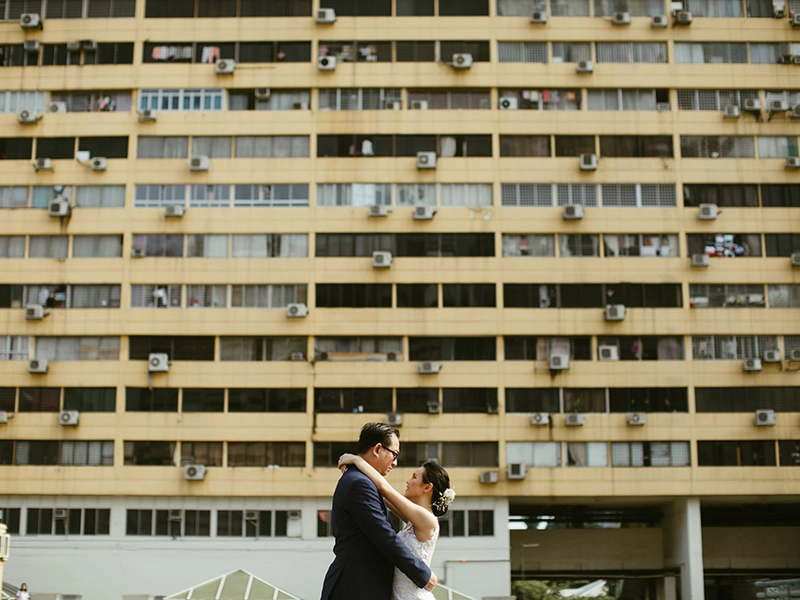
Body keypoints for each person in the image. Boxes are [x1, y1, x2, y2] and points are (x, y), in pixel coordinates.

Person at [320, 422, 437, 600]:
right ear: (377, 449)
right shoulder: (360, 483)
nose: (395, 462)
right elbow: (384, 537)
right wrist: (422, 574)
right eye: (394, 454)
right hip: (357, 588)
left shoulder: (360, 480)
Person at [337, 453, 454, 600]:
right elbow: (381, 495)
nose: (408, 481)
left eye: (414, 477)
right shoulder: (414, 519)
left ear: (427, 487)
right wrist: (355, 472)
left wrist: (356, 459)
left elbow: (384, 488)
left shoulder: (427, 519)